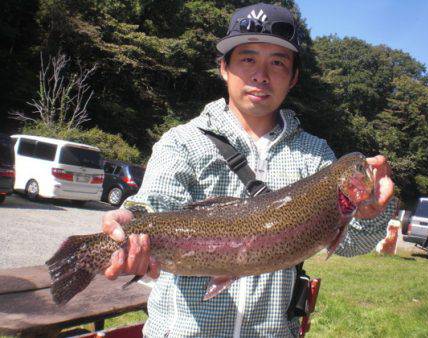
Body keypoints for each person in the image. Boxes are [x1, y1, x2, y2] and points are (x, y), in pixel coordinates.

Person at [101, 3, 396, 337]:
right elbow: (153, 205)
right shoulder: (182, 142)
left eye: (277, 62)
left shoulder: (316, 157)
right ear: (223, 68)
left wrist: (371, 213)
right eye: (248, 59)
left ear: (294, 76)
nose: (261, 74)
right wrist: (131, 220)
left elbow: (349, 243)